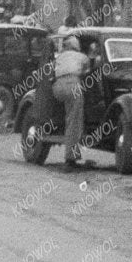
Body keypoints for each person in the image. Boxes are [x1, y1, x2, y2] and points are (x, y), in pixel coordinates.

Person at [52, 32, 89, 166]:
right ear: (77, 46)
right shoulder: (82, 57)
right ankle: (70, 157)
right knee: (75, 121)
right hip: (72, 85)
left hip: (57, 87)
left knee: (69, 116)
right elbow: (87, 71)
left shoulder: (60, 56)